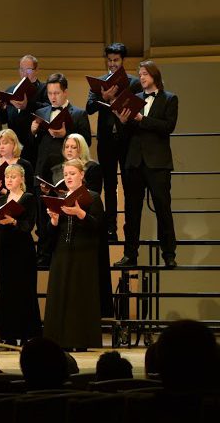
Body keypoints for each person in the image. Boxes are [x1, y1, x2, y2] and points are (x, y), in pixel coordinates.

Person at [117, 60, 178, 268]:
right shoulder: (134, 99)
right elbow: (126, 134)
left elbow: (168, 127)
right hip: (135, 161)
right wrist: (123, 122)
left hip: (157, 162)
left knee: (163, 207)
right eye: (139, 74)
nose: (141, 77)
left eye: (144, 74)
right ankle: (130, 254)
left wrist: (142, 119)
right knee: (132, 211)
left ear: (154, 75)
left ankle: (169, 253)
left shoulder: (169, 99)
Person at [44, 159, 105, 350]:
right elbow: (51, 233)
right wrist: (53, 220)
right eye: (66, 174)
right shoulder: (61, 197)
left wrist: (80, 213)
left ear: (82, 175)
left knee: (80, 296)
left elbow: (98, 227)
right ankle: (59, 341)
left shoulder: (93, 197)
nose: (68, 177)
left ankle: (81, 341)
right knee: (60, 293)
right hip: (62, 251)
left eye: (72, 173)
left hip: (84, 252)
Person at [86, 43, 141, 241]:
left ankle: (130, 228)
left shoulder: (133, 83)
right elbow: (89, 108)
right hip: (107, 141)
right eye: (109, 60)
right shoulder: (99, 83)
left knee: (129, 185)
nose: (112, 64)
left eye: (116, 60)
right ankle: (111, 229)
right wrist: (105, 97)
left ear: (123, 61)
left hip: (127, 140)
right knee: (108, 185)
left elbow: (138, 109)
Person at [0, 163, 40, 344]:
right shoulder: (0, 200)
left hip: (22, 251)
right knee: (5, 292)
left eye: (13, 177)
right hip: (4, 250)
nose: (9, 180)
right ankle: (6, 335)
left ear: (21, 179)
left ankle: (24, 334)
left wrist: (13, 221)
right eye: (7, 177)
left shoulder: (28, 198)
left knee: (23, 291)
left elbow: (28, 226)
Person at [30, 72, 92, 184]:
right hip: (43, 171)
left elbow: (87, 142)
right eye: (50, 93)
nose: (52, 97)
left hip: (66, 171)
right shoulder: (40, 113)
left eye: (56, 93)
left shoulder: (79, 114)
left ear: (65, 92)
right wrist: (33, 132)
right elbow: (34, 144)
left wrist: (66, 134)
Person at [1, 55, 49, 168]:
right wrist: (1, 108)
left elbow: (47, 110)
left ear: (36, 70)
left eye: (28, 69)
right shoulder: (11, 90)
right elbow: (3, 119)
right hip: (14, 145)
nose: (24, 73)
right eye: (21, 69)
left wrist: (28, 105)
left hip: (35, 145)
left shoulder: (44, 89)